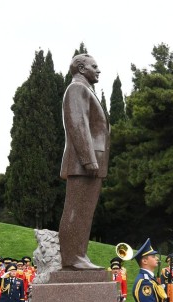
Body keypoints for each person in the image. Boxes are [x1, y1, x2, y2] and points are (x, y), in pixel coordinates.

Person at [59, 54, 110, 271]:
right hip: (84, 163)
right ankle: (72, 258)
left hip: (91, 162)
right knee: (76, 210)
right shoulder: (77, 89)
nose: (99, 70)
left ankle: (80, 255)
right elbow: (78, 124)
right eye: (94, 66)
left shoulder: (85, 89)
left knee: (84, 212)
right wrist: (89, 160)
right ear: (81, 68)